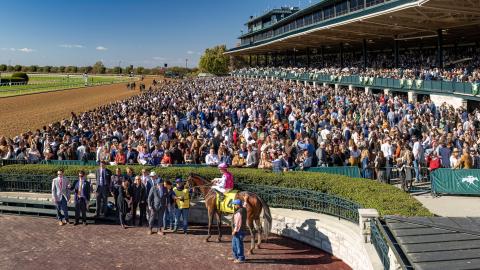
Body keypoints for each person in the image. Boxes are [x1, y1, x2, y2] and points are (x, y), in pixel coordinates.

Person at [230, 199, 246, 264]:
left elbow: (238, 223)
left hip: (238, 231)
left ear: (238, 205)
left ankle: (241, 258)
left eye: (235, 204)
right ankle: (235, 256)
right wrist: (246, 200)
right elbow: (245, 205)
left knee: (239, 245)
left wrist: (235, 230)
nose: (234, 206)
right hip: (241, 230)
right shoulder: (244, 209)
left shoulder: (238, 213)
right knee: (234, 244)